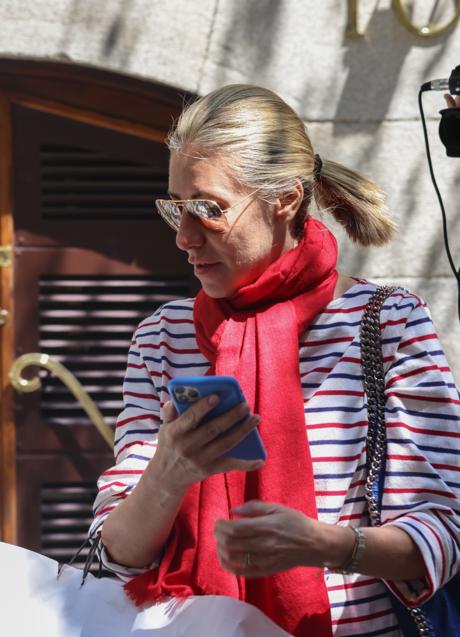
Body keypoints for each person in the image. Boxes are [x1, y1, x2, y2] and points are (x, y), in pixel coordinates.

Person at [90, 84, 460, 637]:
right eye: (175, 209)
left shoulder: (388, 325)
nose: (185, 237)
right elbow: (113, 555)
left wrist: (323, 544)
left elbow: (444, 533)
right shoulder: (163, 336)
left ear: (284, 199)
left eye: (208, 210)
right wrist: (168, 472)